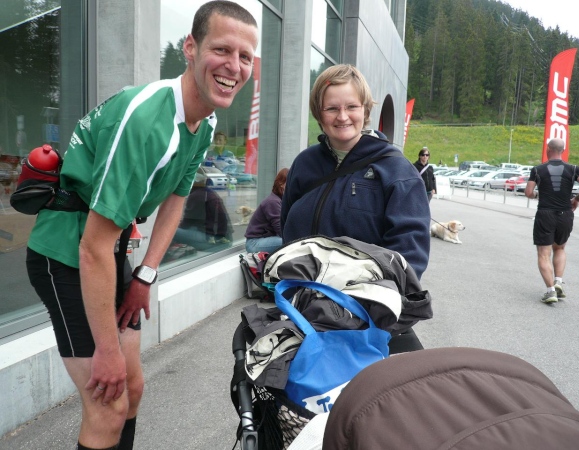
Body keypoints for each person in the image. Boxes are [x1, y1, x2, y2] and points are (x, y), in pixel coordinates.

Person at [24, 2, 258, 449]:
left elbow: (176, 198)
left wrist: (146, 275)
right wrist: (106, 349)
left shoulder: (204, 121)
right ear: (191, 48)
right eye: (222, 49)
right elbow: (91, 248)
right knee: (107, 404)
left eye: (245, 56)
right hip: (65, 253)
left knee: (132, 388)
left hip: (107, 251)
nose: (234, 66)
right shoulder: (147, 119)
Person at [281, 64, 430, 280]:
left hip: (363, 298)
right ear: (319, 114)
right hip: (299, 293)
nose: (342, 117)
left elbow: (409, 257)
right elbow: (286, 228)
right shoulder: (304, 164)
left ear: (365, 110)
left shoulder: (398, 172)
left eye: (351, 106)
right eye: (332, 108)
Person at [524, 138, 579, 304]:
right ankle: (558, 282)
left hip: (545, 214)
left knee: (543, 253)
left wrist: (537, 194)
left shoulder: (538, 169)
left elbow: (528, 192)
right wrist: (576, 199)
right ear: (563, 150)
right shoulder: (574, 169)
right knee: (560, 248)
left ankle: (550, 291)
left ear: (548, 149)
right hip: (565, 214)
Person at [173, 171, 233, 250]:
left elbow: (187, 223)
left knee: (168, 231)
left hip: (210, 237)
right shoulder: (208, 193)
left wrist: (174, 225)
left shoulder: (196, 195)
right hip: (223, 237)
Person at [244, 167, 288, 254]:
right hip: (254, 243)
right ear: (281, 184)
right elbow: (280, 229)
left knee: (293, 240)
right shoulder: (273, 201)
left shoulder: (280, 200)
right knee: (291, 242)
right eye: (290, 183)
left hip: (264, 239)